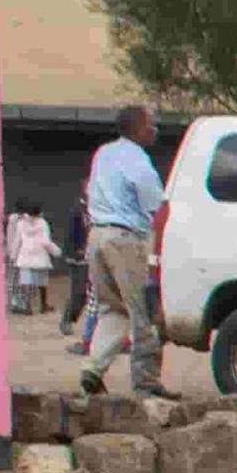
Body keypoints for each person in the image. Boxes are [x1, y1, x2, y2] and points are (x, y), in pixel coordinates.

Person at [75, 106, 166, 399]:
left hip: (98, 236)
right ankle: (146, 382)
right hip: (126, 239)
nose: (155, 129)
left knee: (112, 309)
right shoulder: (137, 159)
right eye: (151, 124)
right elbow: (155, 204)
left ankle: (93, 369)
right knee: (144, 311)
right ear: (138, 128)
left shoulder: (103, 153)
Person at [4, 209, 54, 315]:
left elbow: (16, 240)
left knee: (24, 281)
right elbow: (46, 241)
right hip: (39, 256)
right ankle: (42, 305)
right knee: (40, 281)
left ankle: (26, 306)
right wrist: (55, 251)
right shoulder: (42, 223)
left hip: (24, 256)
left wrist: (13, 255)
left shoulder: (19, 223)